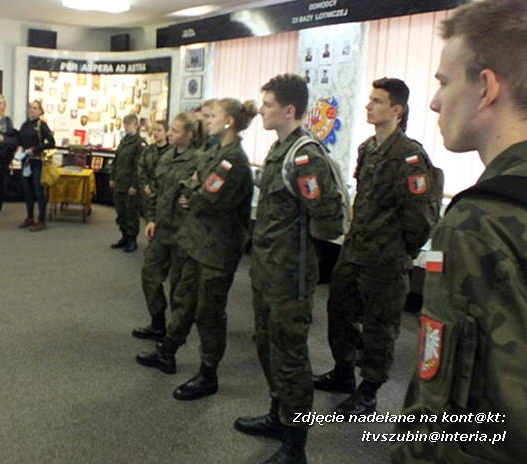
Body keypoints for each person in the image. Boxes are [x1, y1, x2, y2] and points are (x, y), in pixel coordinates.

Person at [392, 0, 527, 463]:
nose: (434, 102)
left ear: (486, 88)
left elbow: (452, 421)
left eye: (444, 82)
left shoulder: (479, 223)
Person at [233, 74, 344, 464]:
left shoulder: (305, 156)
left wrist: (298, 246)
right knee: (268, 346)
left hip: (290, 276)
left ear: (289, 110)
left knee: (291, 357)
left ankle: (296, 446)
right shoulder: (280, 149)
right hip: (268, 270)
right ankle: (278, 416)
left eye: (268, 105)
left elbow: (330, 221)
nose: (261, 110)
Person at [313, 78, 439, 416]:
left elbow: (421, 218)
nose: (368, 106)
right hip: (355, 251)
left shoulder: (410, 157)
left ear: (397, 110)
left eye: (377, 101)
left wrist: (401, 251)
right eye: (369, 99)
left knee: (379, 326)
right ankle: (343, 373)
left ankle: (369, 391)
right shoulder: (367, 149)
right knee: (339, 313)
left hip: (386, 259)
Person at [141, 99, 254, 400]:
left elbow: (206, 199)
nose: (206, 120)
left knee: (209, 313)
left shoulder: (232, 159)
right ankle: (167, 351)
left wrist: (193, 191)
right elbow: (192, 185)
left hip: (218, 248)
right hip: (196, 240)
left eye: (212, 115)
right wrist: (194, 188)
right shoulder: (214, 153)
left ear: (228, 121)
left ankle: (208, 373)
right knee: (184, 299)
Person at [132, 113, 199, 343]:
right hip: (161, 229)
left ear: (189, 134)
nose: (170, 133)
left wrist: (192, 198)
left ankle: (174, 335)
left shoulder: (199, 160)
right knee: (149, 276)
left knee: (180, 289)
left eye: (176, 130)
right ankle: (158, 323)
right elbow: (155, 191)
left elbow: (203, 197)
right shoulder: (167, 156)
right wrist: (151, 218)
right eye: (170, 129)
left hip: (183, 233)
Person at [109, 113, 146, 253]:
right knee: (121, 213)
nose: (126, 127)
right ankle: (124, 236)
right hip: (119, 183)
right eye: (125, 124)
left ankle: (132, 240)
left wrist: (135, 185)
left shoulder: (140, 143)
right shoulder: (123, 141)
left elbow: (139, 167)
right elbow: (116, 161)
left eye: (128, 124)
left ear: (136, 125)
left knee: (131, 213)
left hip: (130, 185)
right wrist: (112, 177)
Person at [16, 100, 55, 232]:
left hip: (37, 162)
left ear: (40, 111)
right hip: (25, 161)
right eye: (30, 108)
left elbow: (51, 142)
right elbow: (20, 140)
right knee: (27, 191)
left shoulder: (41, 125)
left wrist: (35, 149)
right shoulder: (25, 125)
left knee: (38, 191)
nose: (32, 110)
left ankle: (41, 220)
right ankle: (30, 218)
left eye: (35, 108)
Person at [136, 120, 170, 201]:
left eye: (159, 130)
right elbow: (141, 169)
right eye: (154, 130)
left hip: (164, 195)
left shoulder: (171, 151)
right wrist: (145, 185)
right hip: (147, 194)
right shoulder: (148, 150)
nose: (155, 133)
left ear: (166, 132)